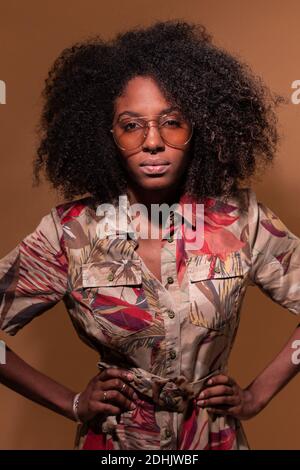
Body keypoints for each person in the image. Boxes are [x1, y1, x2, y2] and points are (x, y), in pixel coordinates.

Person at [0, 19, 300, 451]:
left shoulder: (242, 221)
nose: (153, 142)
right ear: (106, 136)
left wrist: (258, 395)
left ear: (199, 128)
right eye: (131, 125)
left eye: (172, 122)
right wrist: (72, 403)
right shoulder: (70, 233)